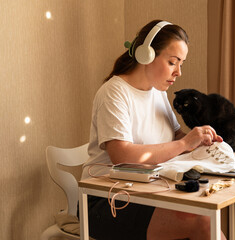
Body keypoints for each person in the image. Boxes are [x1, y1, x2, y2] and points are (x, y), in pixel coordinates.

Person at [81, 19, 226, 240]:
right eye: (172, 62)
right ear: (146, 55)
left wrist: (199, 139)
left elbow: (176, 137)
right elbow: (121, 155)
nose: (178, 72)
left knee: (205, 212)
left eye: (181, 64)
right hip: (106, 201)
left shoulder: (157, 92)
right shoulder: (114, 93)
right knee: (202, 221)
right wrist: (185, 144)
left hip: (148, 191)